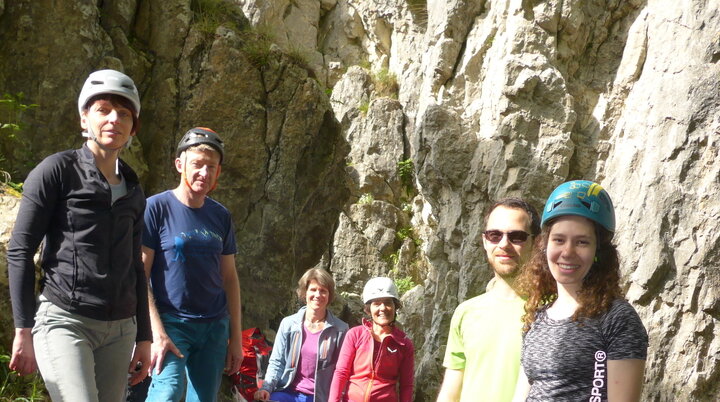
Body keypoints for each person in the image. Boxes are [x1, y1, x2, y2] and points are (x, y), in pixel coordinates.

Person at [7, 69, 151, 401]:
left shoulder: (133, 188)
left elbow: (134, 266)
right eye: (103, 109)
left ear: (133, 127)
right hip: (65, 321)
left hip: (120, 329)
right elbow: (20, 250)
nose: (114, 119)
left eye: (124, 113)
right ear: (84, 118)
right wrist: (23, 329)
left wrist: (143, 336)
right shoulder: (56, 171)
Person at [513, 180, 648, 401]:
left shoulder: (615, 318)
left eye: (582, 242)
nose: (567, 252)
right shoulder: (537, 318)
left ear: (598, 251)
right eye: (558, 240)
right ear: (545, 245)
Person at [143, 127, 243, 402]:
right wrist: (156, 332)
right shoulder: (155, 208)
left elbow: (230, 278)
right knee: (167, 392)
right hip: (171, 322)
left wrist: (236, 338)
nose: (204, 173)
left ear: (218, 172)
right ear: (180, 164)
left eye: (211, 166)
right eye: (197, 164)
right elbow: (140, 274)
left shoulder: (220, 216)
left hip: (213, 326)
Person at [437, 198, 540, 402]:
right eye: (494, 235)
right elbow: (451, 391)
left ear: (536, 243)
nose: (504, 244)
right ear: (484, 241)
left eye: (517, 236)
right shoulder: (465, 312)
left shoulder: (552, 310)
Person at [254, 268, 349, 402]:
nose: (317, 295)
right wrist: (266, 388)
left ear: (329, 295)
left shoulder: (340, 329)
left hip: (319, 397)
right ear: (305, 292)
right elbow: (277, 362)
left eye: (323, 291)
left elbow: (342, 370)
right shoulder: (288, 324)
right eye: (313, 289)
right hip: (287, 391)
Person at [329, 277, 414, 402]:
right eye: (377, 304)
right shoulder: (355, 335)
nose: (383, 308)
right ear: (368, 310)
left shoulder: (404, 344)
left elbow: (406, 385)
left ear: (395, 307)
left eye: (388, 303)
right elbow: (341, 373)